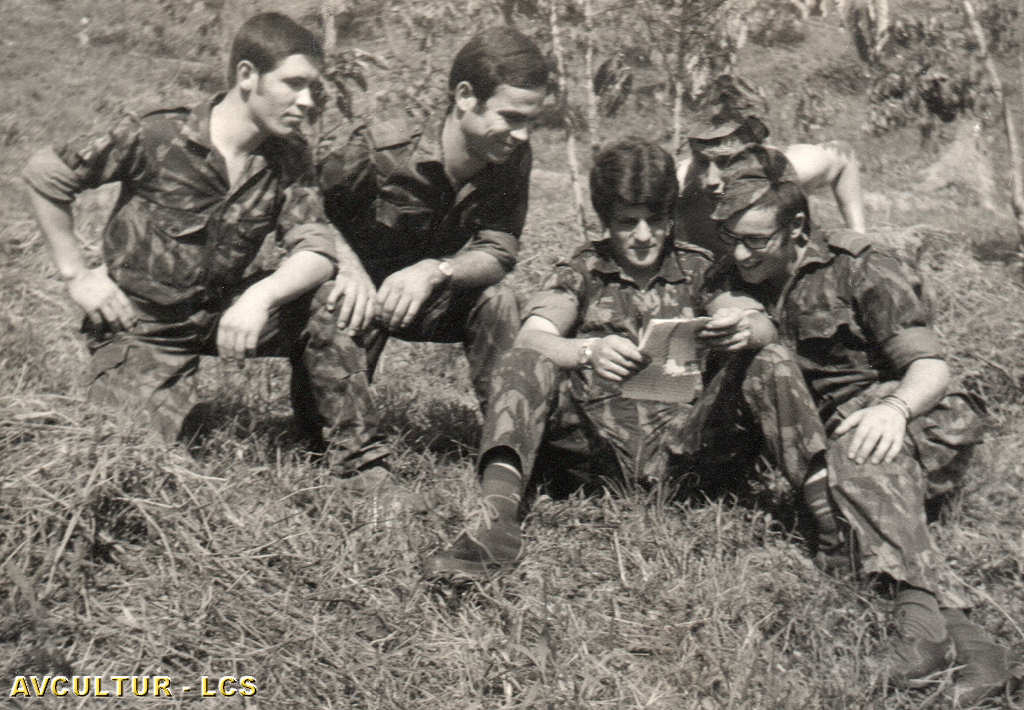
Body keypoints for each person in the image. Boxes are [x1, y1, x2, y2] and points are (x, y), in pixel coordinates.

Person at [423, 138, 831, 590]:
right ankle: (495, 523)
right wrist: (588, 351)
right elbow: (532, 337)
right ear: (606, 221)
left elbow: (761, 325)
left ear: (670, 215)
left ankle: (831, 522)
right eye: (626, 222)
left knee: (770, 357)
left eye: (655, 220)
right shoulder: (583, 270)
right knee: (523, 362)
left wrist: (742, 327)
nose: (642, 235)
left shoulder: (701, 268)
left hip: (686, 452)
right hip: (593, 454)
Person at [708, 145, 1010, 703]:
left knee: (860, 456)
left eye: (757, 240)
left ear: (797, 228)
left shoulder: (861, 265)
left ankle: (921, 640)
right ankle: (978, 650)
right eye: (733, 239)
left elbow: (930, 368)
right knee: (851, 471)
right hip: (830, 435)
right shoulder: (733, 271)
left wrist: (893, 411)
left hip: (916, 416)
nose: (742, 253)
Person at [22, 13, 372, 455]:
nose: (306, 101)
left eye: (312, 88)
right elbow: (46, 173)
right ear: (247, 75)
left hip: (223, 310)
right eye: (293, 84)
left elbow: (316, 249)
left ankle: (350, 457)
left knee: (336, 302)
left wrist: (258, 298)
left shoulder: (289, 153)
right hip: (143, 325)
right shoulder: (158, 135)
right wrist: (76, 274)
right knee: (130, 453)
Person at [315, 27, 549, 476]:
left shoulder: (510, 156)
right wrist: (348, 267)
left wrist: (436, 270)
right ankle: (353, 449)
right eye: (511, 117)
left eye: (531, 120)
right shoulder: (379, 148)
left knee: (496, 300)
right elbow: (302, 204)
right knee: (313, 434)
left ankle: (513, 451)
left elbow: (498, 248)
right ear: (465, 96)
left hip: (421, 298)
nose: (522, 134)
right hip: (351, 304)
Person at [676, 75, 866, 258]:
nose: (711, 180)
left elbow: (844, 156)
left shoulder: (791, 168)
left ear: (758, 153)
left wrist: (858, 235)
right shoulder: (681, 183)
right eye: (702, 162)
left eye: (726, 162)